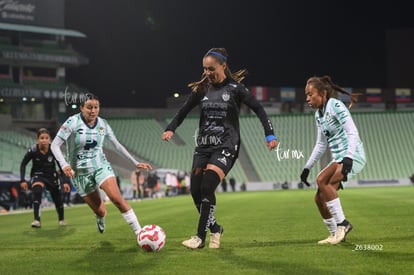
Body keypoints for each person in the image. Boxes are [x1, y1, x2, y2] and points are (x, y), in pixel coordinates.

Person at [162, 48, 278, 249]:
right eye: (205, 69)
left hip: (226, 144)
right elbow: (183, 111)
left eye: (211, 68)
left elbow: (258, 108)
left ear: (223, 66)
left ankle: (199, 238)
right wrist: (171, 128)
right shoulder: (202, 90)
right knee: (195, 192)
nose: (207, 72)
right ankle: (215, 228)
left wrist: (269, 133)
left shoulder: (236, 89)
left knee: (207, 186)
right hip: (204, 146)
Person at [51, 94, 152, 235]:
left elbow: (117, 145)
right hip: (79, 174)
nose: (93, 111)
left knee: (117, 199)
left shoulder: (103, 124)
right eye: (89, 108)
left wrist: (135, 162)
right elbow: (55, 145)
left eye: (96, 107)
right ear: (81, 108)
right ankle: (99, 216)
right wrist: (64, 165)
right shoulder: (72, 122)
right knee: (101, 210)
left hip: (100, 167)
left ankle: (140, 233)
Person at [300, 75, 366, 245]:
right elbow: (321, 145)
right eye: (306, 95)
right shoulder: (318, 115)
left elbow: (352, 132)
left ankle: (343, 224)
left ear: (322, 94)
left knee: (322, 180)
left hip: (353, 155)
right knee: (319, 198)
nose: (307, 98)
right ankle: (335, 234)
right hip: (339, 158)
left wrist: (349, 158)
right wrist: (307, 167)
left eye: (310, 94)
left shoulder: (335, 105)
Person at [20, 128, 71, 228]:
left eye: (46, 138)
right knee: (37, 191)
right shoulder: (33, 150)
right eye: (41, 138)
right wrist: (22, 180)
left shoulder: (54, 150)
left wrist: (65, 181)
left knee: (57, 199)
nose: (44, 140)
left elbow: (61, 166)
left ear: (50, 140)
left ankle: (61, 219)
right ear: (37, 139)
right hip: (37, 175)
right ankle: (37, 220)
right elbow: (23, 164)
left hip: (52, 176)